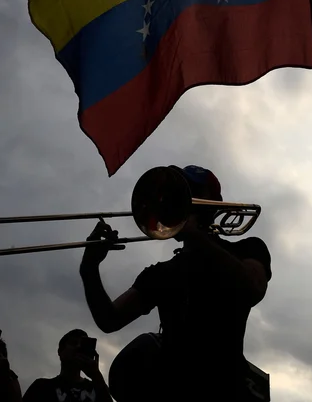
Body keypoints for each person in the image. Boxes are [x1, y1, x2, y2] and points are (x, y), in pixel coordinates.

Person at [79, 165, 272, 401]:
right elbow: (109, 320)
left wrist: (195, 236)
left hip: (226, 388)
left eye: (186, 192)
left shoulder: (246, 249)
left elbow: (252, 287)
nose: (172, 202)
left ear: (211, 203)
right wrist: (89, 269)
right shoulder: (162, 273)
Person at [22, 329, 112, 402]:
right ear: (60, 351)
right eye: (73, 343)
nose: (78, 347)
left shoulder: (97, 387)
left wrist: (96, 375)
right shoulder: (41, 387)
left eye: (82, 345)